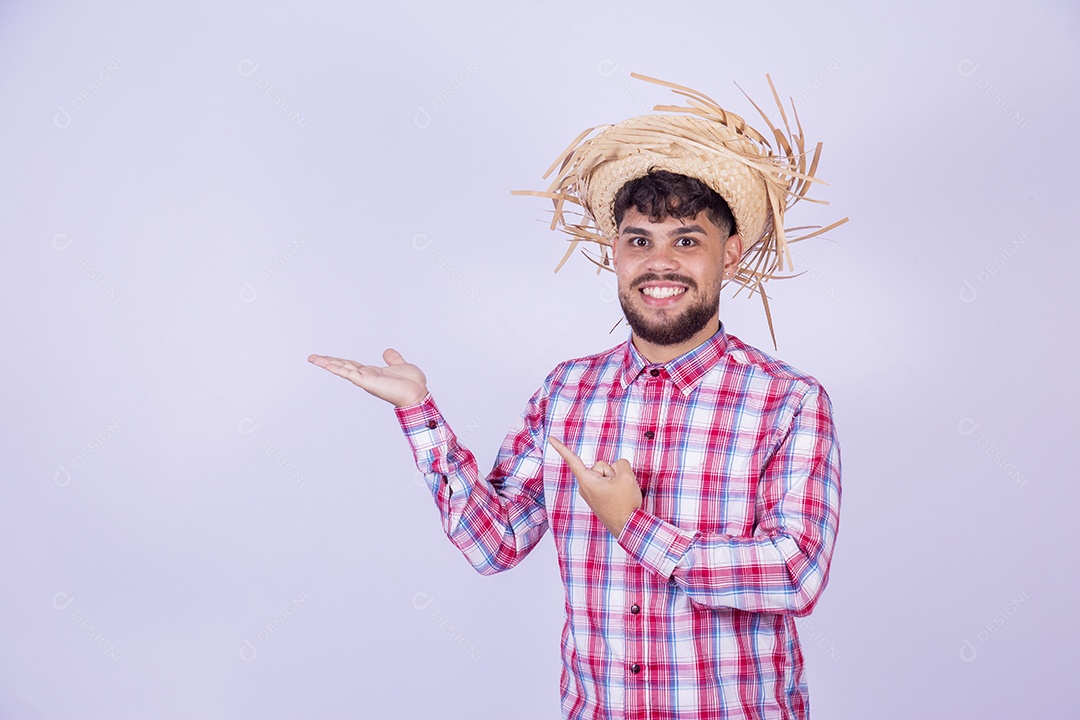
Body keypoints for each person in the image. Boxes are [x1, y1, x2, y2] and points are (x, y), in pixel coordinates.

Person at [309, 73, 844, 720]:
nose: (660, 263)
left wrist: (633, 526)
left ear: (729, 254)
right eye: (640, 240)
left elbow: (794, 574)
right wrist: (419, 415)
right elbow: (494, 544)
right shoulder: (568, 393)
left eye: (687, 241)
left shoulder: (787, 403)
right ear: (615, 251)